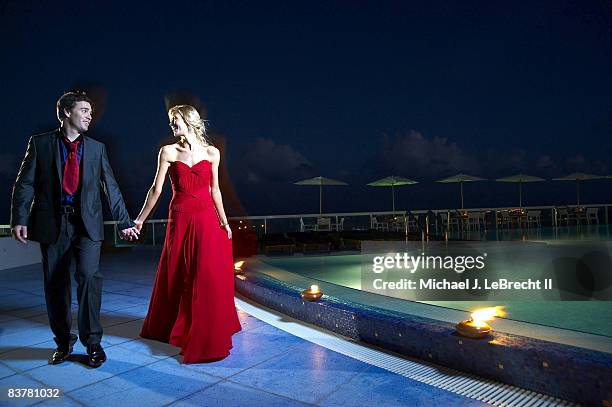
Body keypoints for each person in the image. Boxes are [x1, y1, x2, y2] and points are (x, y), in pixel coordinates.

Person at [10, 91, 140, 367]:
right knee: (55, 285)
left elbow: (111, 186)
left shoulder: (96, 148)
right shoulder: (40, 144)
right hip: (52, 224)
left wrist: (124, 222)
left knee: (89, 278)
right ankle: (63, 343)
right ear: (67, 112)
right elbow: (25, 184)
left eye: (91, 111)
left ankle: (93, 344)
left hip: (87, 225)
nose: (90, 116)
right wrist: (19, 218)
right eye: (84, 110)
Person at [135, 104, 241, 363]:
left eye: (175, 121)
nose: (172, 126)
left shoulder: (212, 153)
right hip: (180, 217)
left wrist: (224, 222)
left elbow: (216, 190)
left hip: (207, 218)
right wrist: (139, 220)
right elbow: (156, 190)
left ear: (189, 121)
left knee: (206, 274)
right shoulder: (168, 151)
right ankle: (171, 326)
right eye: (171, 122)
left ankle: (205, 329)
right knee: (179, 272)